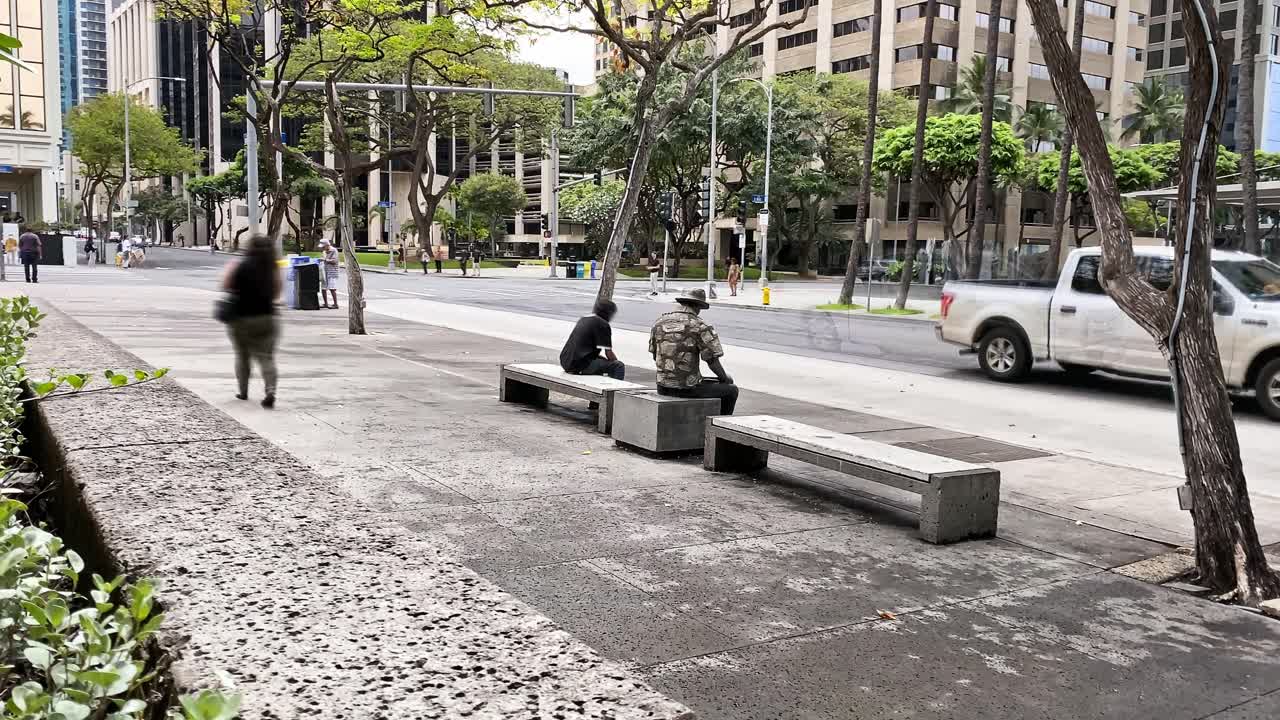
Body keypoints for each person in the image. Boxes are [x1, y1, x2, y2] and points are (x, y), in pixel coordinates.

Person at [649, 288, 737, 415]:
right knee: (731, 390)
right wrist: (725, 378)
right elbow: (712, 361)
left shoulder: (658, 323)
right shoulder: (699, 325)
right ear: (698, 306)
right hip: (687, 388)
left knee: (708, 381)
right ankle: (721, 426)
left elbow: (655, 355)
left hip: (662, 386)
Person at [223, 234, 281, 408]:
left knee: (242, 355)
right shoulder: (273, 268)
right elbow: (277, 293)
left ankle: (243, 391)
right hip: (267, 317)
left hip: (240, 317)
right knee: (267, 357)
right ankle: (270, 390)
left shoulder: (239, 265)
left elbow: (226, 284)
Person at [560, 300, 624, 380]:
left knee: (603, 361)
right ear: (609, 313)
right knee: (618, 366)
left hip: (565, 362)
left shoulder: (584, 319)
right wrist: (615, 363)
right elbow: (609, 354)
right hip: (579, 365)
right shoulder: (603, 324)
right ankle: (614, 390)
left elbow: (581, 348)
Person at [319, 240, 340, 309]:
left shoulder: (334, 250)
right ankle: (325, 303)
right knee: (323, 288)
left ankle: (335, 304)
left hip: (332, 272)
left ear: (327, 245)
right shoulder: (324, 252)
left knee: (332, 288)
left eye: (323, 247)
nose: (322, 248)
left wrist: (325, 260)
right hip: (325, 271)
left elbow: (334, 261)